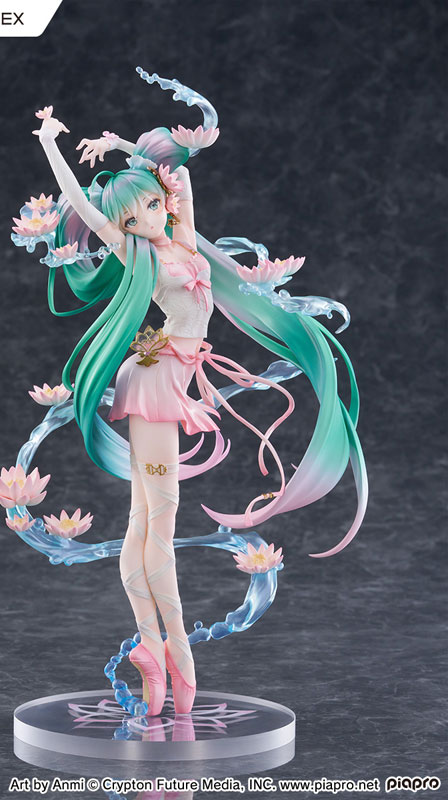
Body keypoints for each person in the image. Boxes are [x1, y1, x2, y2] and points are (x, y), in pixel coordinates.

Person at [32, 108, 367, 716]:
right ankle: (175, 651)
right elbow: (82, 205)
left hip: (171, 376)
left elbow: (177, 173)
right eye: (131, 219)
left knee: (145, 522)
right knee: (156, 522)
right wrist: (51, 143)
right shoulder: (137, 253)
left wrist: (120, 143)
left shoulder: (182, 236)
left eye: (149, 206)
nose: (145, 220)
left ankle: (154, 649)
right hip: (156, 383)